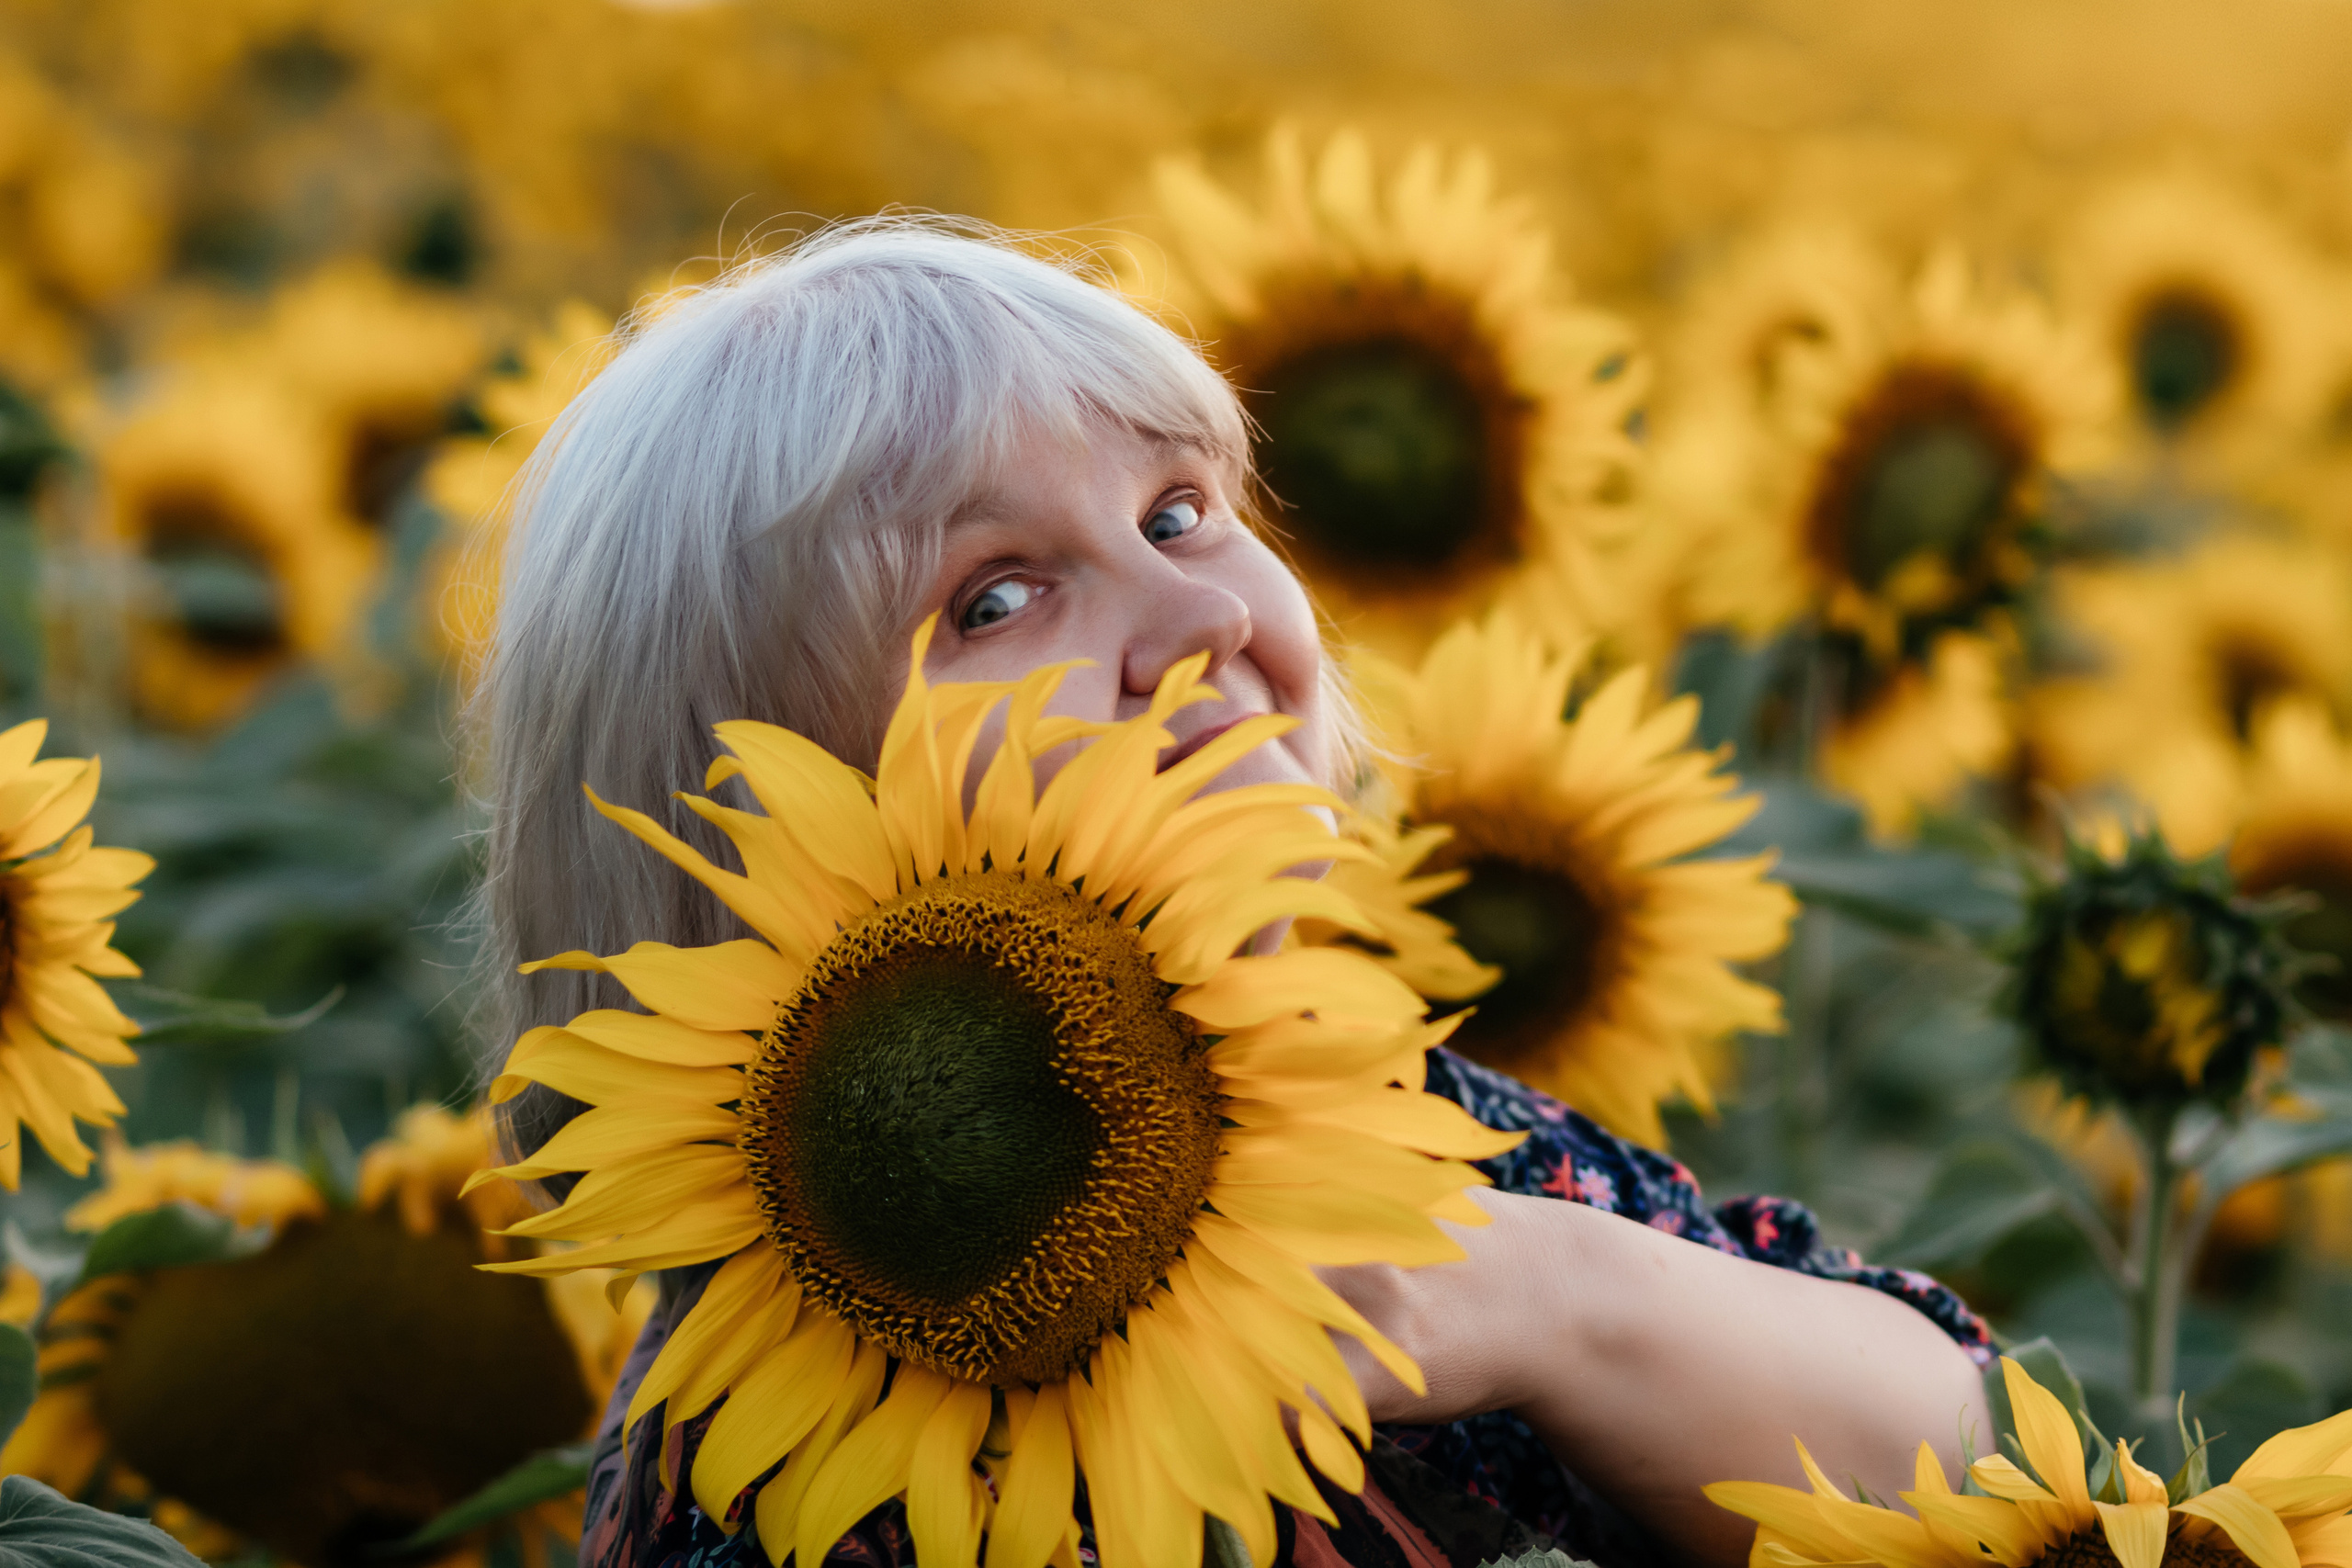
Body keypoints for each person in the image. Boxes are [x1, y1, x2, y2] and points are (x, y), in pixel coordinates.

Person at [467, 218, 1991, 1568]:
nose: (1194, 613)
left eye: (1178, 512)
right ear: (751, 828)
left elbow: (1964, 1455)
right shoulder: (784, 1427)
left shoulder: (1412, 1133)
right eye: (994, 595)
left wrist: (1552, 1295)